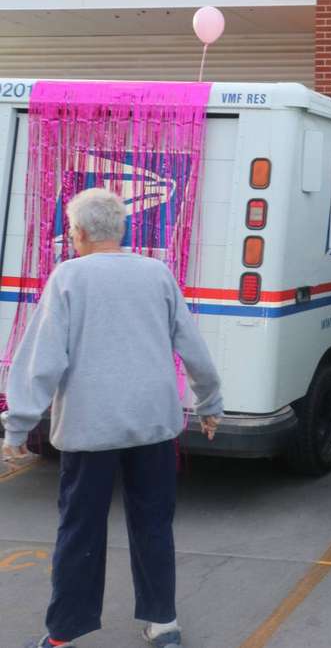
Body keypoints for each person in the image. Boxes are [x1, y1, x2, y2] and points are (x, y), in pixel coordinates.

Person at [0, 188, 224, 648]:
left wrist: (18, 424)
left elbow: (41, 360)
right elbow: (192, 346)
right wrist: (210, 402)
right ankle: (163, 624)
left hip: (90, 427)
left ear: (78, 232)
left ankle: (64, 632)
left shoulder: (68, 278)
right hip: (153, 424)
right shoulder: (157, 274)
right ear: (120, 230)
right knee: (153, 522)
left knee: (80, 527)